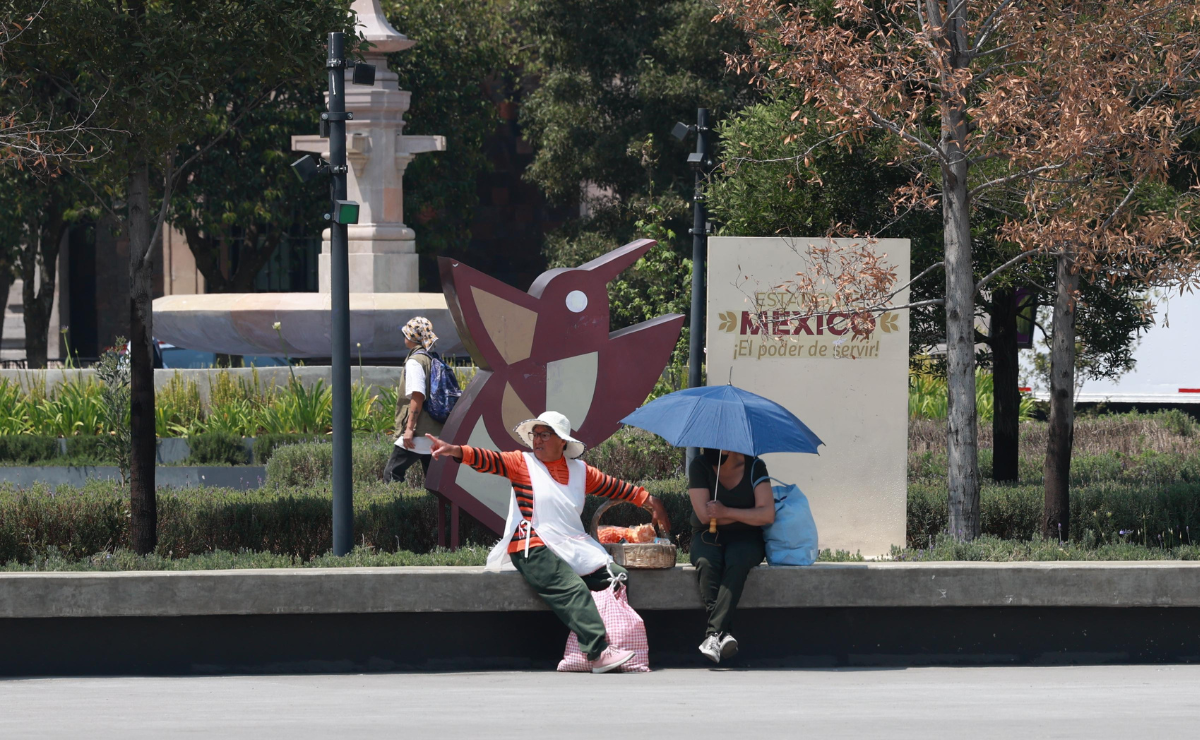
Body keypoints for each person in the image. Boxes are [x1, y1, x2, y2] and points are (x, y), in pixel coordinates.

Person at [427, 411, 671, 673]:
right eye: (536, 434)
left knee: (616, 575)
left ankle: (612, 638)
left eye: (545, 435)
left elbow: (616, 488)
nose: (537, 440)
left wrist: (650, 500)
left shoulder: (581, 471)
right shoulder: (521, 463)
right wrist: (455, 451)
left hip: (572, 544)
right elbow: (489, 460)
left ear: (562, 442)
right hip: (531, 545)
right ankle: (598, 652)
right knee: (573, 588)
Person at [687, 448, 775, 664]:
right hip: (707, 535)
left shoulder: (755, 466)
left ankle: (712, 634)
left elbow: (767, 514)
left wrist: (726, 512)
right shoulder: (699, 465)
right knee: (707, 563)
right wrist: (747, 515)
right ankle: (722, 634)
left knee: (738, 560)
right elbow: (703, 516)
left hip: (746, 537)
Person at [384, 317, 442, 484]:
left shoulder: (415, 362)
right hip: (434, 429)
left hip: (419, 432)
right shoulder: (430, 358)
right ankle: (433, 509)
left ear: (411, 337)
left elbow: (417, 395)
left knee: (392, 474)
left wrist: (409, 429)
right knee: (434, 481)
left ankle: (397, 508)